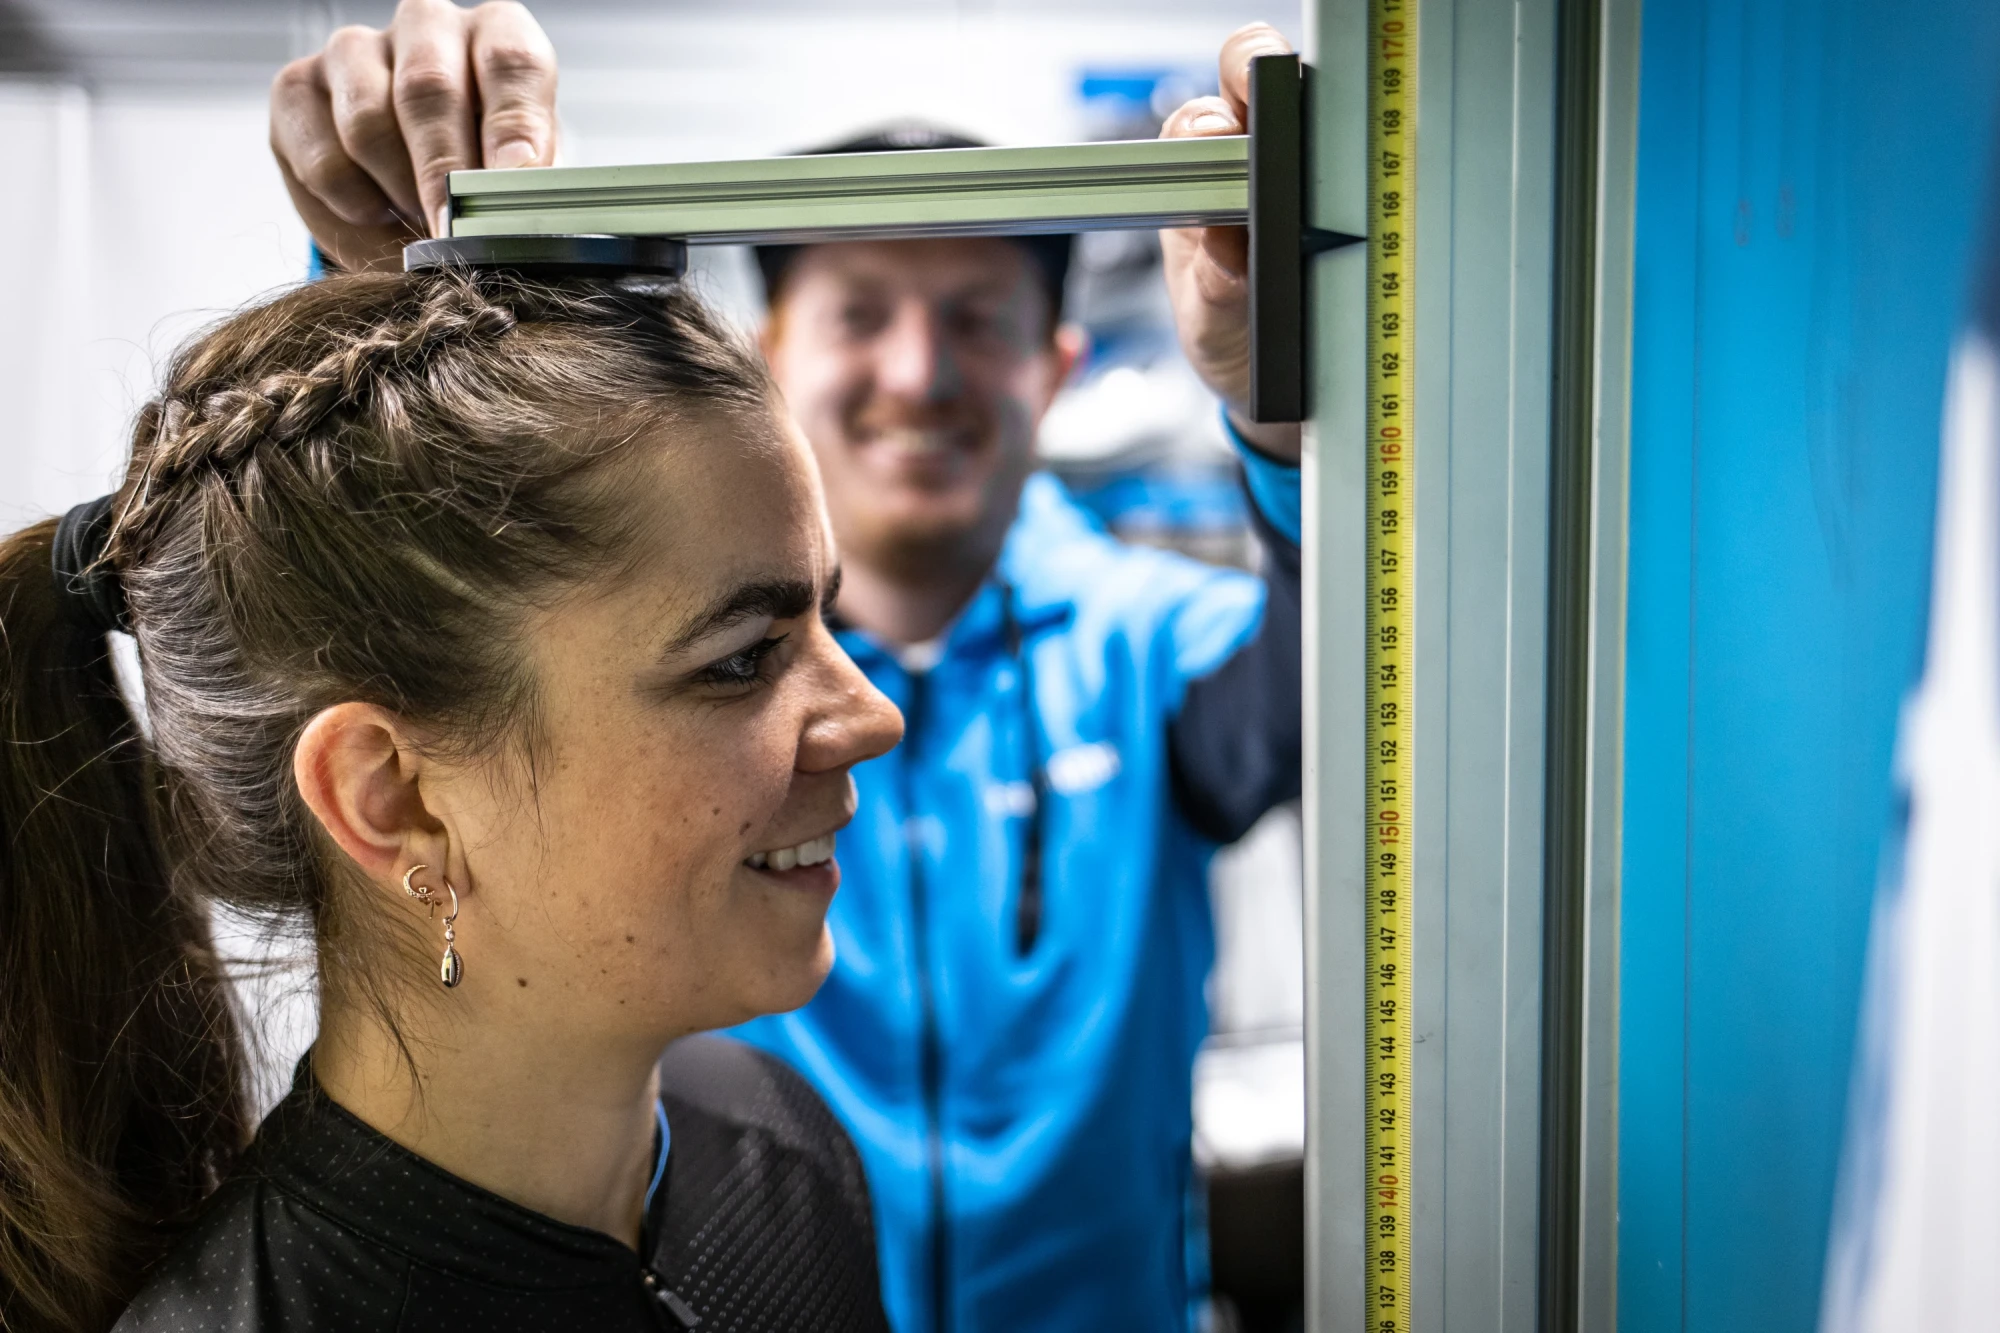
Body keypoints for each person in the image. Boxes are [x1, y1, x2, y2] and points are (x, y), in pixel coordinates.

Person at [273, 4, 1304, 1328]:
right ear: (773, 357)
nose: (920, 374)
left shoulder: (1151, 643)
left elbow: (1362, 674)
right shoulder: (632, 664)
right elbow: (410, 607)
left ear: (1056, 369)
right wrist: (376, 279)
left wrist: (1277, 418)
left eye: (978, 321)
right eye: (863, 315)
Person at [0, 268, 905, 1332]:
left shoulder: (773, 1143)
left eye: (825, 620)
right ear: (393, 800)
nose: (870, 716)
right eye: (745, 658)